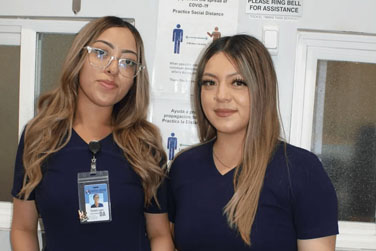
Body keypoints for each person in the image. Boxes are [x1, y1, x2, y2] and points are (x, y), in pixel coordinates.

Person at [11, 16, 174, 251]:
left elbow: (160, 235)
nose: (113, 68)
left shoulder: (145, 145)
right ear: (78, 58)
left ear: (135, 77)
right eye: (100, 53)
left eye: (128, 62)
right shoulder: (39, 137)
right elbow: (23, 228)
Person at [167, 34, 338, 251]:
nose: (221, 95)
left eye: (238, 82)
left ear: (262, 89)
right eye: (209, 82)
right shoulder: (184, 167)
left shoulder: (301, 170)